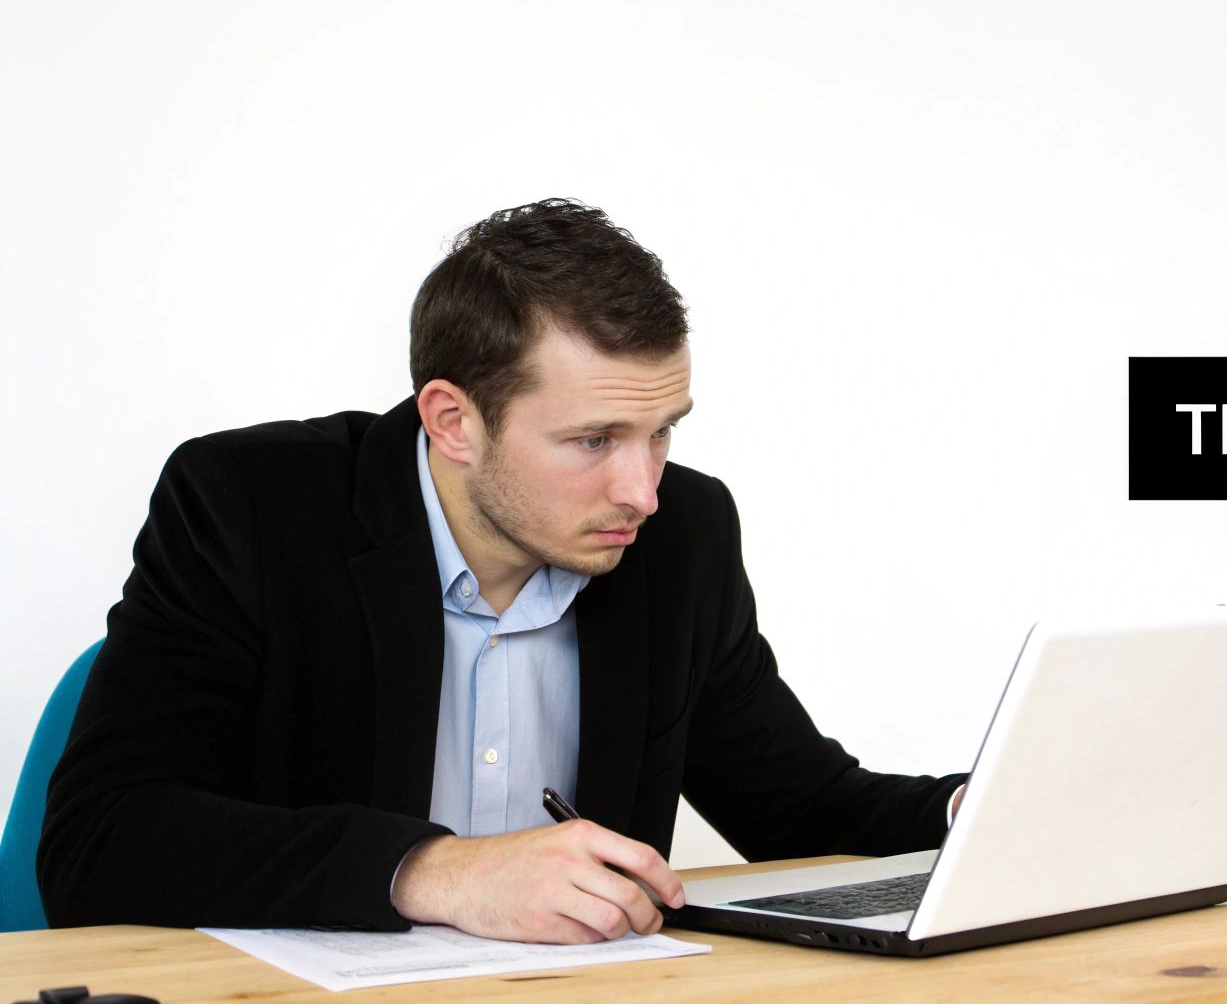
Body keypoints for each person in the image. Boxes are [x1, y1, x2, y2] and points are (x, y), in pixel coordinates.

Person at [39, 198, 968, 944]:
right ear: (452, 420)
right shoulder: (248, 506)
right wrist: (439, 870)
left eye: (663, 431)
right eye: (593, 440)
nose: (642, 488)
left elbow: (802, 812)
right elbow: (102, 841)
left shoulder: (682, 535)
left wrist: (982, 810)